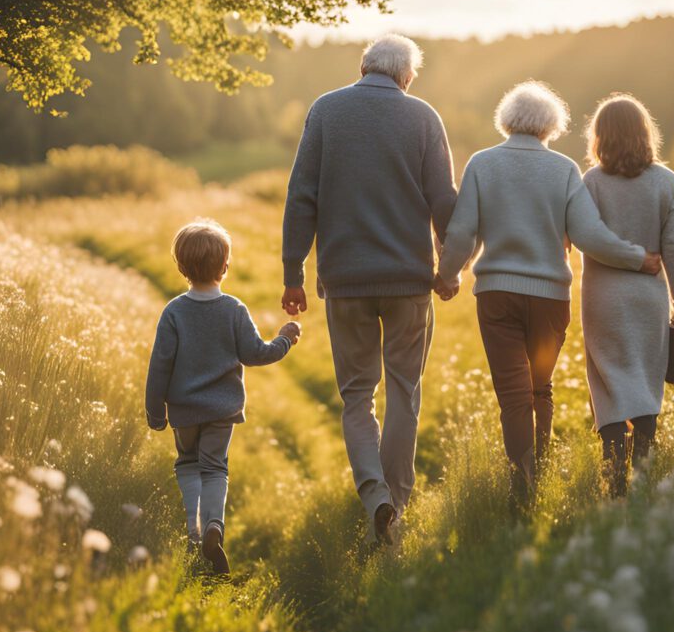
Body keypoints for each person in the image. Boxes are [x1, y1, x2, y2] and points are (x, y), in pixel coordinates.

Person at [435, 81, 662, 502]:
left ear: (507, 120)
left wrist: (447, 274)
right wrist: (638, 258)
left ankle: (524, 487)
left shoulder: (482, 164)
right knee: (540, 387)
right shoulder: (563, 170)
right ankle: (536, 475)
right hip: (550, 299)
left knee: (513, 394)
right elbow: (589, 235)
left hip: (497, 296)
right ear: (551, 125)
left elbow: (463, 231)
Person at [281, 34, 457, 543]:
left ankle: (374, 495)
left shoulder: (325, 111)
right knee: (404, 390)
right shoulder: (423, 116)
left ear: (363, 67)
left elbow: (301, 197)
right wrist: (449, 266)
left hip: (345, 280)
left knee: (358, 396)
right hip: (409, 283)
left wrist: (293, 274)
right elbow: (442, 199)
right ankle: (396, 507)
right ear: (407, 77)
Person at [145, 219, 301, 574]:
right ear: (225, 266)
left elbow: (160, 367)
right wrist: (286, 339)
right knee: (215, 468)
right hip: (222, 410)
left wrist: (156, 412)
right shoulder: (234, 309)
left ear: (181, 266)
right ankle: (215, 524)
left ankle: (194, 533)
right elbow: (256, 353)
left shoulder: (174, 312)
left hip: (184, 411)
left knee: (187, 464)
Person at [581, 94, 674, 495]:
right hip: (649, 299)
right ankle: (644, 481)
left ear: (600, 136)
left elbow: (586, 239)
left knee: (608, 382)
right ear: (645, 133)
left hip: (602, 299)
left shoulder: (591, 182)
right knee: (646, 385)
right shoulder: (666, 181)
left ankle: (613, 483)